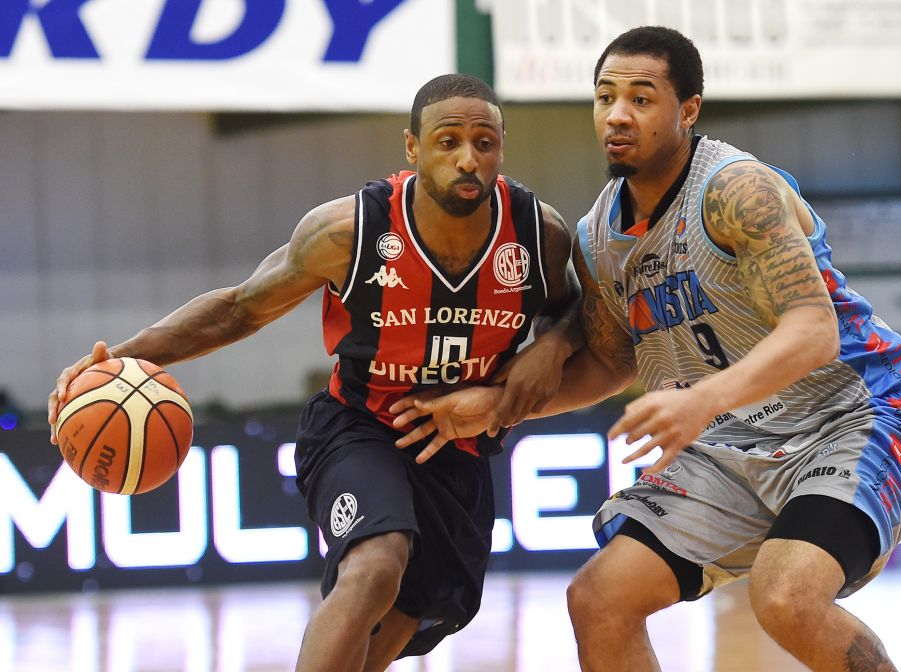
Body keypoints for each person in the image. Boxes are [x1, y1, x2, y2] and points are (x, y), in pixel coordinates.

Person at [390, 27, 901, 671]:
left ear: (688, 110)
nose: (617, 115)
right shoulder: (598, 236)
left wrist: (701, 401)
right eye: (605, 97)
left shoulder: (738, 191)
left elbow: (813, 329)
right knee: (599, 599)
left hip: (852, 418)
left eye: (641, 98)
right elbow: (608, 362)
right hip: (728, 447)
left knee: (786, 597)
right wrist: (498, 407)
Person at [48, 74, 579, 671]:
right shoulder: (349, 232)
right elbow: (238, 308)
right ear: (412, 146)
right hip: (359, 425)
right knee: (376, 565)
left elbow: (581, 316)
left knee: (414, 612)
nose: (467, 159)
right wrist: (126, 355)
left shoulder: (538, 235)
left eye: (484, 142)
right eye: (448, 141)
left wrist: (554, 344)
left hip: (459, 446)